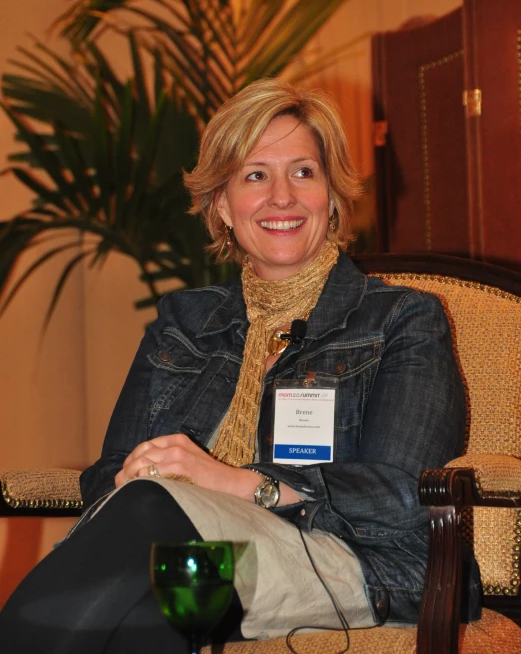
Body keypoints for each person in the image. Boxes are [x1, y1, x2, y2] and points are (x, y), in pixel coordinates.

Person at [0, 79, 480, 652]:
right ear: (223, 204)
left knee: (150, 535)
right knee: (153, 584)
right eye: (255, 175)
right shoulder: (184, 320)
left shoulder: (401, 318)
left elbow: (402, 497)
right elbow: (109, 474)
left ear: (332, 195)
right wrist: (139, 476)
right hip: (182, 557)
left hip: (354, 565)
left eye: (303, 172)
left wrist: (234, 485)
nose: (282, 196)